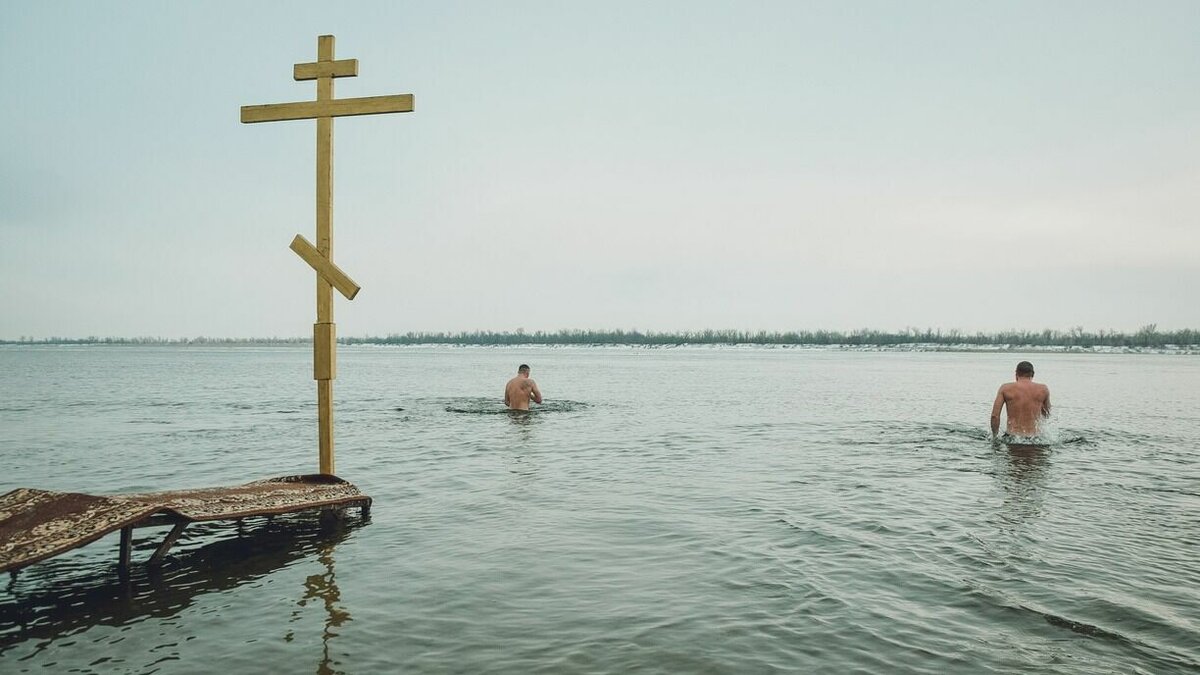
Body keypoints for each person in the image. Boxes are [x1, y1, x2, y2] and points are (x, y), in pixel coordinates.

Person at [990, 361, 1051, 440]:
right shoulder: (1043, 389)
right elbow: (1046, 414)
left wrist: (995, 436)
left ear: (1016, 374)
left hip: (1013, 437)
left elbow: (995, 416)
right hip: (1035, 438)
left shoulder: (1005, 388)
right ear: (1032, 374)